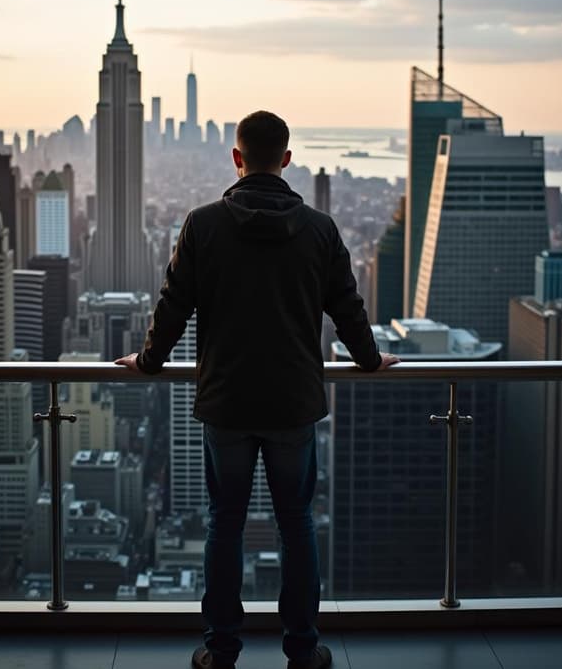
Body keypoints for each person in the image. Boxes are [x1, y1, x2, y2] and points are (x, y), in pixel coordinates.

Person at [116, 110, 398, 669]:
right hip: (293, 403)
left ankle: (222, 650)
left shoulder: (202, 224)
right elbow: (347, 307)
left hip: (227, 401)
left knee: (226, 523)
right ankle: (304, 649)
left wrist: (148, 362)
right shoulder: (320, 229)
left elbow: (173, 307)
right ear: (287, 160)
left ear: (237, 158)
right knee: (297, 524)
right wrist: (370, 360)